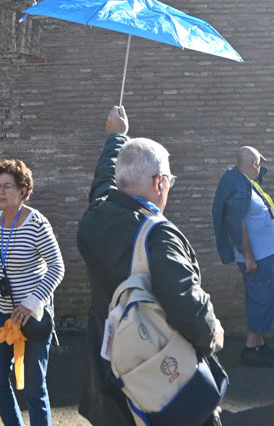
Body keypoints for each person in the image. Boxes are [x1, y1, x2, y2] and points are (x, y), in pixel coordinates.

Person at [76, 104, 225, 426]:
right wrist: (212, 332)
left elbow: (104, 180)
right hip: (163, 385)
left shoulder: (94, 219)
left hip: (111, 379)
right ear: (159, 182)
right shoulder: (159, 236)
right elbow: (184, 300)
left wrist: (117, 137)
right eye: (169, 180)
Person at [0, 156, 64, 426]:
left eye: (7, 186)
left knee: (35, 389)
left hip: (33, 316)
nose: (0, 192)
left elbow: (57, 267)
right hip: (2, 314)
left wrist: (32, 302)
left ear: (23, 191)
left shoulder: (37, 224)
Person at [211, 144, 274, 366]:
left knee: (264, 297)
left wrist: (255, 160)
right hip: (256, 257)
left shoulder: (242, 179)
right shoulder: (239, 188)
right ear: (253, 164)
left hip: (262, 254)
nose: (259, 169)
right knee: (261, 300)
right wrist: (249, 257)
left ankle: (260, 345)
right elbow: (237, 224)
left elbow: (253, 178)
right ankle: (250, 348)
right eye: (258, 165)